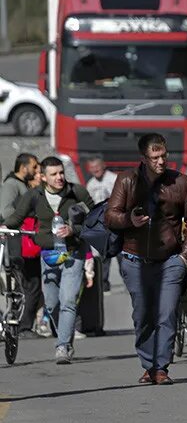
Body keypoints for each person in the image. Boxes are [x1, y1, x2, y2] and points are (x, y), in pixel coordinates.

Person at [106, 134, 187, 384]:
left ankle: (161, 367)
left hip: (170, 260)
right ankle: (148, 365)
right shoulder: (127, 180)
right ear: (143, 158)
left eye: (164, 156)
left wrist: (186, 255)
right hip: (134, 259)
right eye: (155, 158)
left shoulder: (180, 182)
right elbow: (111, 216)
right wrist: (130, 220)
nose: (161, 162)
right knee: (143, 315)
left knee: (166, 313)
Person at [3, 157, 94, 364]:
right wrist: (4, 227)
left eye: (61, 172)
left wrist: (74, 230)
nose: (59, 177)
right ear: (43, 177)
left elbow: (96, 217)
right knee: (52, 305)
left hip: (73, 252)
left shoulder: (76, 192)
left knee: (68, 300)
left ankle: (63, 346)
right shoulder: (34, 195)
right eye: (53, 174)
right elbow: (15, 218)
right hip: (49, 255)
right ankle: (64, 334)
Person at [0, 153, 43, 338]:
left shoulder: (23, 185)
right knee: (27, 283)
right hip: (18, 242)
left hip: (27, 241)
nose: (36, 171)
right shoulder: (12, 185)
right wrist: (27, 212)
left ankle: (26, 325)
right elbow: (6, 211)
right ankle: (23, 327)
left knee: (31, 283)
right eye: (33, 167)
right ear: (23, 167)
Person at [85, 157, 118, 292]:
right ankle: (103, 283)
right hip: (101, 224)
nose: (95, 170)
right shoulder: (91, 184)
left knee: (122, 254)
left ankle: (129, 280)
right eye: (92, 168)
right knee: (104, 254)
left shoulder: (114, 179)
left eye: (97, 167)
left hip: (116, 222)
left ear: (103, 166)